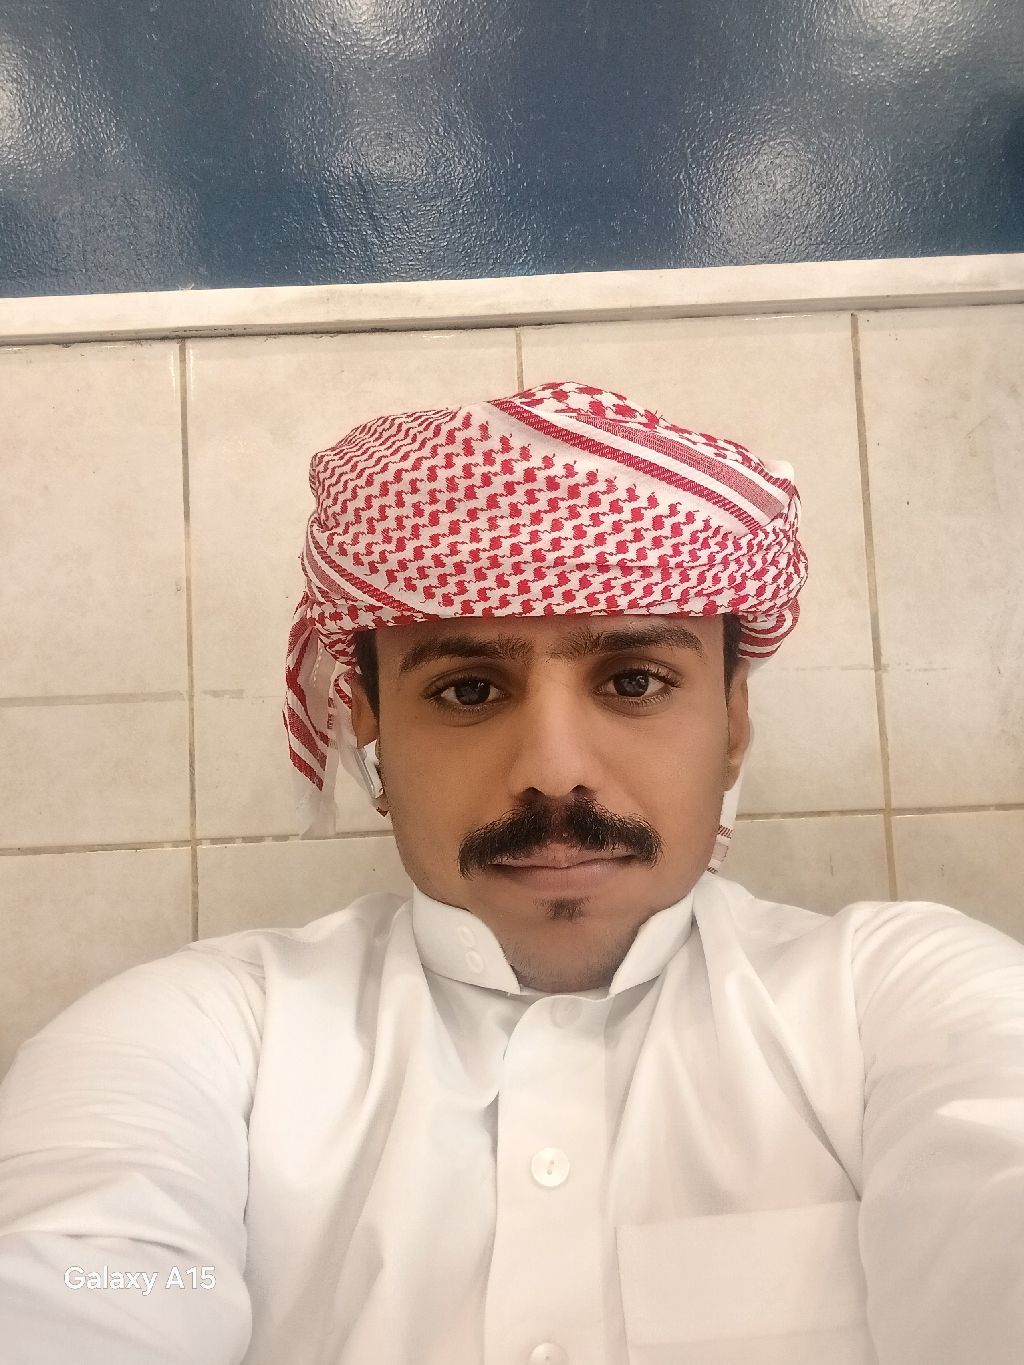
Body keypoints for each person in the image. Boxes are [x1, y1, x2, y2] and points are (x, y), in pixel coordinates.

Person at [0, 380, 1022, 1365]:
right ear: (370, 726)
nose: (553, 769)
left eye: (634, 680)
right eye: (469, 690)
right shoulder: (209, 1036)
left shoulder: (890, 1000)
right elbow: (81, 1275)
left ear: (733, 721)